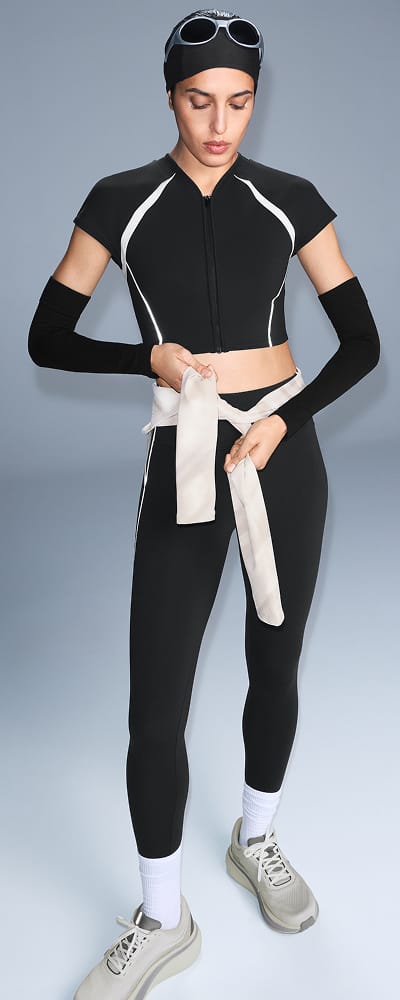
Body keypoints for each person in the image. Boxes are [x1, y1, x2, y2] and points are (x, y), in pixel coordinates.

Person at [28, 8, 380, 998]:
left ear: (256, 99)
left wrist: (285, 420)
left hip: (281, 448)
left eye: (238, 101)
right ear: (170, 96)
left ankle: (255, 840)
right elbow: (47, 337)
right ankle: (162, 917)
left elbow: (362, 343)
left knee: (276, 658)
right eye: (198, 101)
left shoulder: (291, 199)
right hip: (186, 448)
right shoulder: (121, 201)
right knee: (156, 702)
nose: (219, 124)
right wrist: (144, 356)